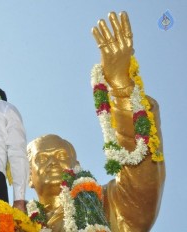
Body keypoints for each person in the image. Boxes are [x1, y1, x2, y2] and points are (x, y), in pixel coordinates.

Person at [27, 12, 165, 232]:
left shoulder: (108, 203)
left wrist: (121, 88)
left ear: (76, 165)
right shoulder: (8, 221)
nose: (52, 162)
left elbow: (142, 183)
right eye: (42, 158)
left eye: (62, 156)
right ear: (28, 177)